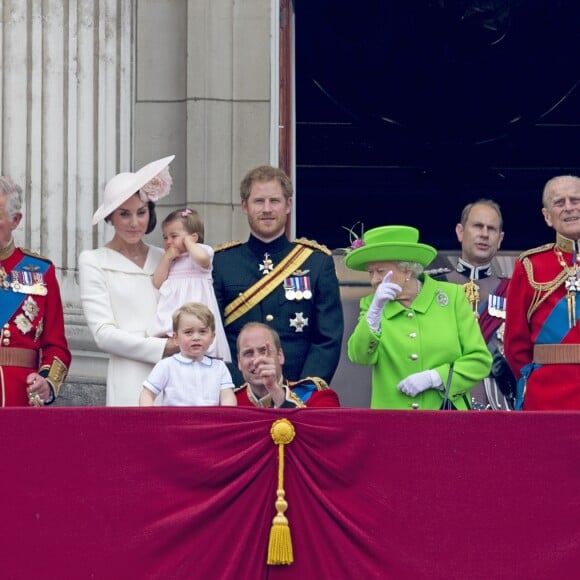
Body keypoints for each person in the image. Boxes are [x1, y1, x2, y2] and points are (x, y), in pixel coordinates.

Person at [212, 165, 344, 386]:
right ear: (244, 206)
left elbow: (327, 338)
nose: (266, 209)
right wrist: (238, 389)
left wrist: (302, 391)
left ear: (288, 205)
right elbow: (214, 338)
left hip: (298, 393)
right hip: (237, 393)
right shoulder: (221, 263)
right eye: (258, 201)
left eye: (274, 201)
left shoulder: (316, 262)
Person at [346, 225, 492, 410]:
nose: (374, 280)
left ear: (407, 270)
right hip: (392, 422)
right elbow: (359, 357)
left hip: (445, 419)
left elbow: (479, 360)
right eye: (371, 272)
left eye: (381, 271)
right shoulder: (372, 305)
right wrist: (375, 311)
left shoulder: (452, 297)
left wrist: (435, 378)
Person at [78, 155, 180, 406]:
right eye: (124, 214)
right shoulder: (93, 260)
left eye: (141, 213)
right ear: (110, 217)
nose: (134, 223)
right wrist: (160, 348)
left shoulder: (164, 257)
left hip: (176, 375)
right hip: (128, 375)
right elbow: (104, 334)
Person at [430, 199, 515, 410]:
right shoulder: (433, 285)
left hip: (497, 400)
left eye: (491, 229)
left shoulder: (513, 289)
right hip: (442, 396)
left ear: (500, 238)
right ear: (460, 231)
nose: (484, 234)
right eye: (477, 226)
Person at [504, 175, 580, 410]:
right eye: (559, 202)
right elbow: (515, 345)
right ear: (547, 217)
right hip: (547, 395)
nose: (568, 207)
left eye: (575, 199)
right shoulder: (530, 265)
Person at [0, 176, 71, 407]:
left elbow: (56, 345)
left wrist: (46, 382)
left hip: (19, 396)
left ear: (15, 220)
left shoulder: (40, 271)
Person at [146, 208, 231, 362]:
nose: (168, 242)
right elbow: (157, 282)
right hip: (173, 312)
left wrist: (189, 243)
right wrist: (166, 259)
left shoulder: (201, 252)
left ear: (193, 237)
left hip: (195, 309)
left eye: (174, 236)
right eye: (165, 237)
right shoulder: (172, 259)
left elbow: (203, 260)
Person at [140, 302, 236, 406]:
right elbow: (147, 394)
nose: (196, 337)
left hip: (211, 421)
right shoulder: (166, 365)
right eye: (188, 332)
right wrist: (151, 418)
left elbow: (227, 397)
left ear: (212, 337)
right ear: (176, 338)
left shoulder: (220, 367)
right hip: (176, 421)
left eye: (202, 331)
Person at [234, 322, 340, 408]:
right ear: (239, 361)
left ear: (280, 356)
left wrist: (273, 388)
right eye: (248, 353)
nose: (257, 360)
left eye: (264, 351)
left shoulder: (317, 397)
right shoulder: (230, 403)